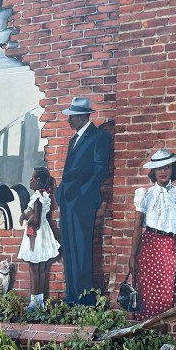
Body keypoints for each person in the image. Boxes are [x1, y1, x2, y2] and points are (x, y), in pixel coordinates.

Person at [55, 96, 112, 305]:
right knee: (69, 248)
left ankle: (84, 300)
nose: (69, 121)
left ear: (83, 116)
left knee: (82, 249)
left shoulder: (99, 137)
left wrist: (82, 196)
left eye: (72, 117)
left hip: (82, 202)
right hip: (68, 201)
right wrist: (61, 193)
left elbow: (100, 171)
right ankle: (72, 298)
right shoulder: (74, 139)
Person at [127, 148, 176, 319]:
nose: (163, 172)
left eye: (167, 167)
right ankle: (143, 335)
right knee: (145, 293)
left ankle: (159, 333)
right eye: (159, 168)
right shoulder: (146, 194)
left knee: (164, 296)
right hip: (148, 246)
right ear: (153, 171)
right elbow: (138, 226)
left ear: (173, 169)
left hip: (168, 248)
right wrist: (133, 256)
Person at [17, 166, 60, 310]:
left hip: (35, 233)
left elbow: (35, 220)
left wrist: (26, 219)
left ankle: (34, 303)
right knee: (40, 268)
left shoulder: (37, 197)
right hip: (44, 232)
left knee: (33, 268)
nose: (30, 181)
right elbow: (36, 213)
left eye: (32, 178)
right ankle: (39, 301)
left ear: (38, 180)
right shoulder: (44, 195)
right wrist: (27, 213)